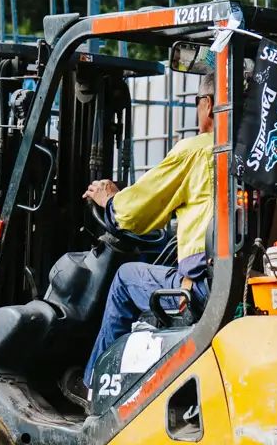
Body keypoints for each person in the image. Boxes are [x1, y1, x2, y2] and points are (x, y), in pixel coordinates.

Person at [81, 83, 216, 390]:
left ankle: (95, 384)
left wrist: (110, 199)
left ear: (207, 105)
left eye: (197, 103)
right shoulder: (256, 156)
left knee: (126, 277)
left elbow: (133, 214)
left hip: (202, 288)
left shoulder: (197, 150)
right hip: (234, 282)